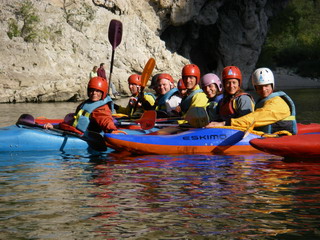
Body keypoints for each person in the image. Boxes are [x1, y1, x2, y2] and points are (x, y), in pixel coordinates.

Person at [206, 68, 297, 134]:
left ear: (272, 85)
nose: (263, 89)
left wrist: (225, 123)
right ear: (255, 88)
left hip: (280, 138)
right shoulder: (263, 101)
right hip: (266, 135)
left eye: (266, 86)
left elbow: (255, 117)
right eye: (260, 87)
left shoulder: (278, 103)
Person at [44, 77, 117, 133]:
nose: (94, 93)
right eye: (92, 90)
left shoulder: (101, 108)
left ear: (103, 93)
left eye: (97, 91)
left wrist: (112, 130)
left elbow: (106, 120)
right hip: (74, 131)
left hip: (85, 135)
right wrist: (54, 126)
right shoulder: (87, 103)